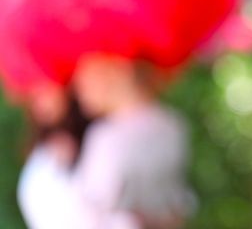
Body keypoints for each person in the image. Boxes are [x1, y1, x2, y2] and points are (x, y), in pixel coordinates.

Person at [17, 54, 194, 229]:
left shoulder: (106, 137)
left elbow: (95, 211)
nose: (81, 90)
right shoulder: (172, 124)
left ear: (109, 74)